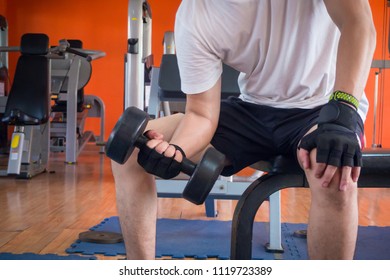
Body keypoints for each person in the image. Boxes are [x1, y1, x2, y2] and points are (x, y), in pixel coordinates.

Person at [112, 0, 376, 260]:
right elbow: (202, 114)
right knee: (132, 150)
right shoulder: (195, 13)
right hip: (253, 109)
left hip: (323, 104)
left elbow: (358, 22)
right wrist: (176, 149)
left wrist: (343, 109)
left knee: (333, 168)